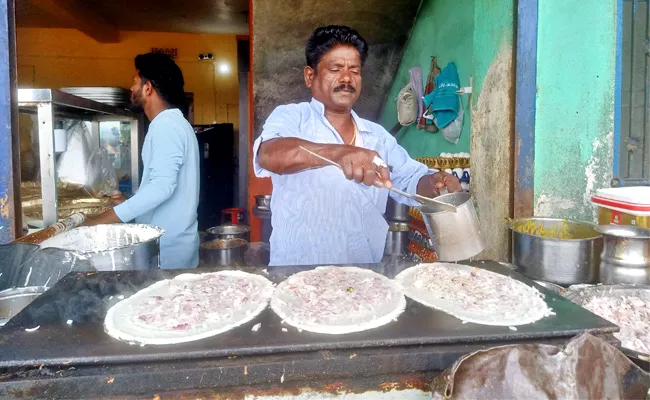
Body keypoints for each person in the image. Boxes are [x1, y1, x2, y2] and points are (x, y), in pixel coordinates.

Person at [254, 25, 462, 266]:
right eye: (335, 69)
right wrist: (339, 153)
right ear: (310, 76)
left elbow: (411, 179)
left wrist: (435, 184)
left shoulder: (377, 136)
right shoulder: (292, 117)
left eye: (354, 70)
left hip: (362, 275)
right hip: (295, 273)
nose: (346, 78)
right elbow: (269, 155)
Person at [84, 53, 200, 269]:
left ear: (148, 88)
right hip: (169, 245)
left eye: (135, 81)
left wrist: (103, 219)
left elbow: (161, 188)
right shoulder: (173, 123)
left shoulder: (166, 126)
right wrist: (129, 203)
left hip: (167, 251)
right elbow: (164, 187)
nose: (131, 88)